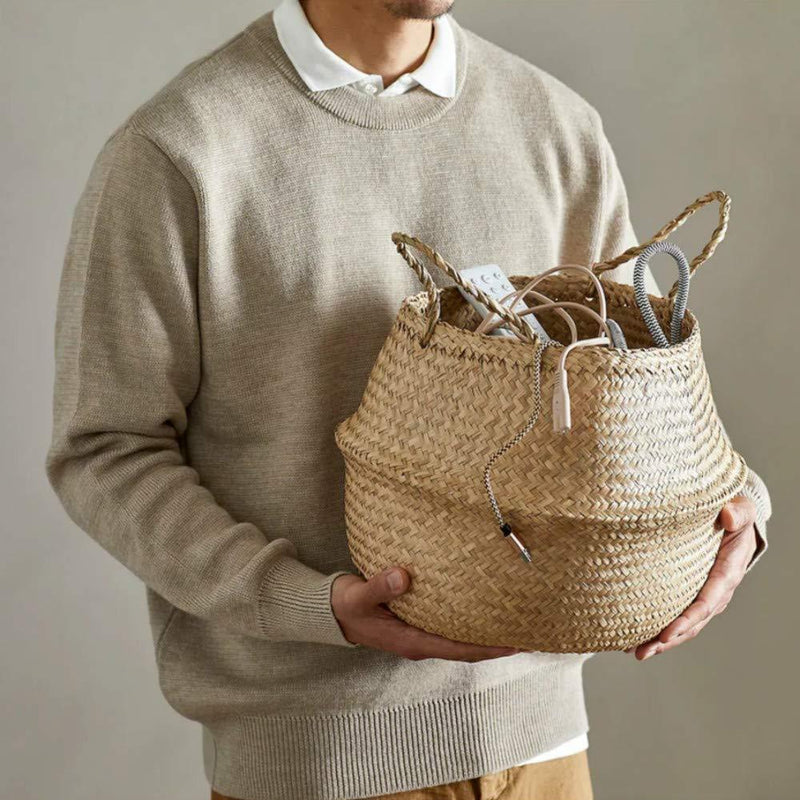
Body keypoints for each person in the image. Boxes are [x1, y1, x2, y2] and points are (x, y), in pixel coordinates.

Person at [45, 1, 771, 799]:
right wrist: (307, 602)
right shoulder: (180, 151)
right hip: (319, 762)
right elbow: (104, 450)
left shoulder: (556, 126)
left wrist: (739, 509)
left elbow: (636, 397)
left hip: (548, 746)